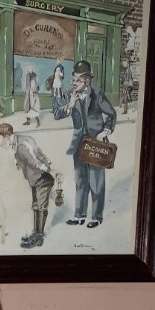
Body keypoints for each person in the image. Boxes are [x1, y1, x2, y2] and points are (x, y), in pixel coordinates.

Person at [53, 59, 116, 228]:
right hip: (79, 144)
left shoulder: (97, 94)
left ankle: (96, 217)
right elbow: (57, 114)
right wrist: (70, 104)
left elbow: (111, 114)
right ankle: (79, 215)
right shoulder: (70, 94)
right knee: (80, 180)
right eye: (73, 79)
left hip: (96, 143)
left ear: (87, 81)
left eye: (78, 80)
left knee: (96, 181)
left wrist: (105, 131)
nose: (74, 83)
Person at [0, 123, 62, 248]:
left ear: (6, 136)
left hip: (42, 177)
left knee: (40, 206)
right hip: (37, 178)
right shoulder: (20, 141)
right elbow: (39, 154)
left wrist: (50, 170)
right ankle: (37, 234)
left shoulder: (20, 146)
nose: (0, 144)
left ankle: (39, 236)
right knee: (36, 206)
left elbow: (33, 161)